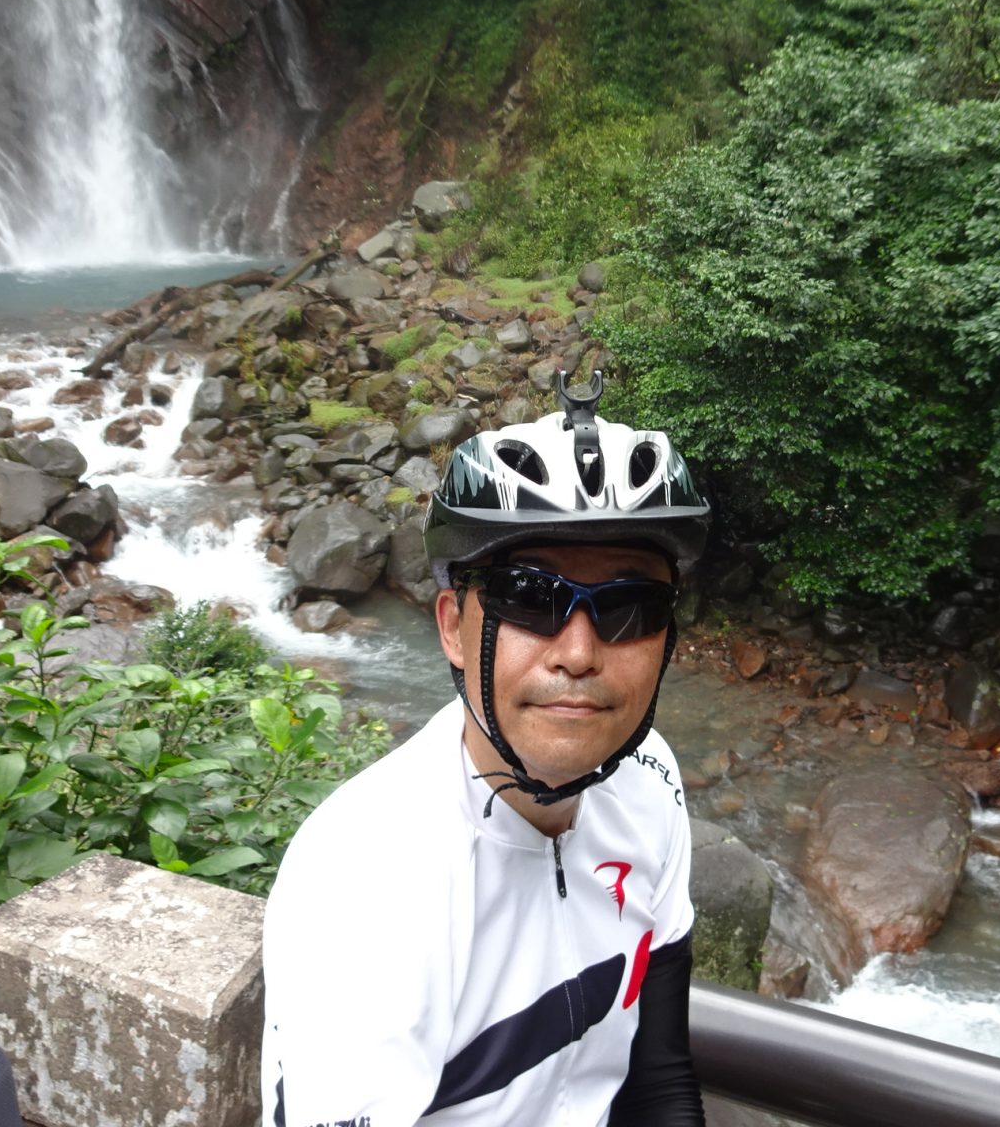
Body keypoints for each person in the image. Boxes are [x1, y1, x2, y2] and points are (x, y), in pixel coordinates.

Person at [260, 372, 711, 1127]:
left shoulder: (650, 780)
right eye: (529, 596)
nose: (578, 652)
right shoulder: (368, 880)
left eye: (630, 607)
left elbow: (657, 1075)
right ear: (450, 626)